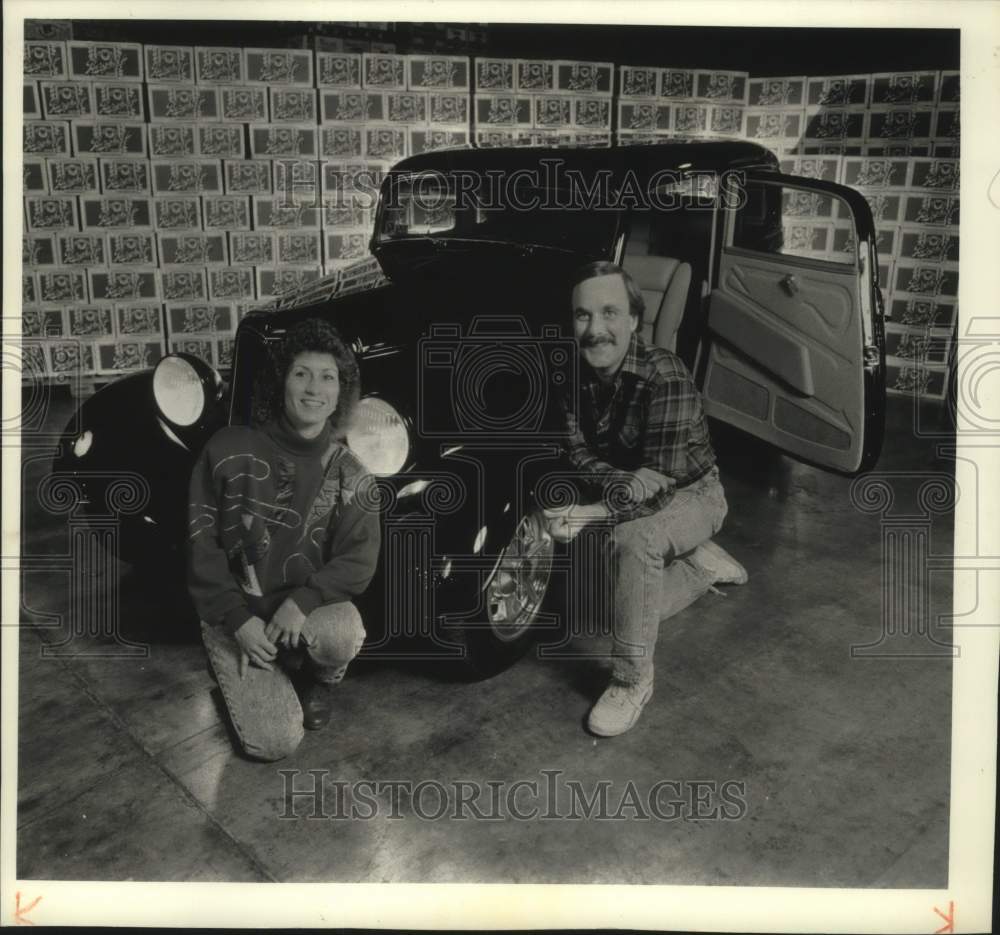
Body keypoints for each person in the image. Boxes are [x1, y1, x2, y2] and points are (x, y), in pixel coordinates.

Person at [543, 261, 747, 738]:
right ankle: (702, 568)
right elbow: (577, 454)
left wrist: (593, 511)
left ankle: (632, 680)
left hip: (695, 495)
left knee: (635, 540)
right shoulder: (571, 372)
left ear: (635, 319)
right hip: (633, 491)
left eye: (610, 312)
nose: (595, 330)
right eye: (583, 316)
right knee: (602, 613)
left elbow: (660, 486)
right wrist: (619, 481)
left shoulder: (665, 376)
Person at [188, 318, 380, 761]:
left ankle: (310, 678)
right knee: (272, 743)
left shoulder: (353, 472)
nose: (314, 388)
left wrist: (303, 601)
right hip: (236, 615)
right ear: (281, 384)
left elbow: (358, 561)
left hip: (299, 608)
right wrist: (237, 621)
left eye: (327, 377)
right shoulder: (228, 449)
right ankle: (243, 682)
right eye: (301, 374)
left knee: (342, 635)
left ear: (340, 393)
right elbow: (202, 545)